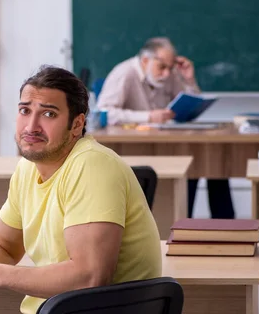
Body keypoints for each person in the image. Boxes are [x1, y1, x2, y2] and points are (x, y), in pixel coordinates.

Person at [0, 65, 162, 314]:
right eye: (25, 110)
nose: (31, 126)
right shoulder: (27, 168)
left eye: (49, 114)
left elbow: (90, 277)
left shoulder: (91, 165)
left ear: (77, 124)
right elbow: (4, 244)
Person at [96, 37, 235, 219]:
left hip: (166, 142)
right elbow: (104, 113)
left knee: (208, 164)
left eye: (170, 68)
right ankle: (181, 224)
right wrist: (147, 117)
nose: (167, 74)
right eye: (162, 67)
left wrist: (189, 80)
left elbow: (189, 107)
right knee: (190, 168)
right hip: (135, 147)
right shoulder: (124, 73)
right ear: (145, 60)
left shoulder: (169, 74)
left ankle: (214, 229)